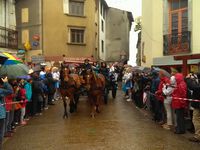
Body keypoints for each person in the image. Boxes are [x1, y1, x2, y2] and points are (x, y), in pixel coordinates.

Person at [0, 76, 13, 149]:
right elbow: (10, 91)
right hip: (0, 114)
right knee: (1, 132)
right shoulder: (0, 90)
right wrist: (6, 82)